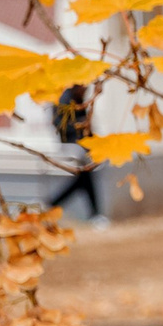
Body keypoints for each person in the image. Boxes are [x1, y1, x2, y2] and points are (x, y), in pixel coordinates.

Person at [50, 84, 103, 222]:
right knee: (84, 179)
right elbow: (60, 124)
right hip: (71, 147)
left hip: (81, 147)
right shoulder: (64, 100)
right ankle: (95, 214)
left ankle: (51, 204)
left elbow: (86, 128)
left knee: (83, 180)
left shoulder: (79, 99)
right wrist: (80, 124)